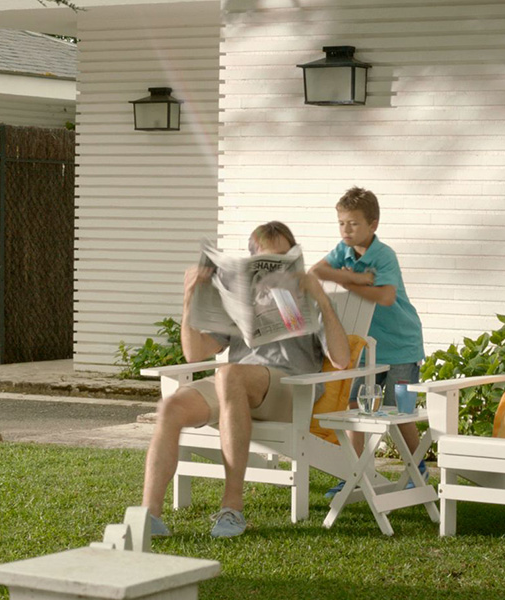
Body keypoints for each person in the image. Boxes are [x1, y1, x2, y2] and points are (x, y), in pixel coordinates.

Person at [142, 221, 351, 539]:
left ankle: (232, 507)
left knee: (229, 374)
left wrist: (321, 299)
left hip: (289, 390)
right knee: (170, 407)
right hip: (234, 386)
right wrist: (189, 300)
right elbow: (194, 354)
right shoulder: (240, 301)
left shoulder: (309, 299)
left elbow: (342, 359)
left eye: (282, 259)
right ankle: (149, 516)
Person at [310, 187, 427, 497]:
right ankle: (353, 470)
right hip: (366, 347)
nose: (346, 230)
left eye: (353, 224)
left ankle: (417, 469)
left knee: (398, 413)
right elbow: (316, 271)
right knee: (354, 408)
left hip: (401, 345)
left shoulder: (384, 255)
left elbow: (385, 297)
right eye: (341, 223)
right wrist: (356, 278)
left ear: (373, 224)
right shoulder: (343, 251)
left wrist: (346, 280)